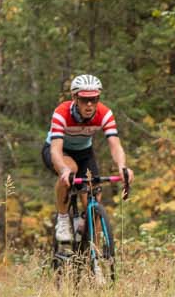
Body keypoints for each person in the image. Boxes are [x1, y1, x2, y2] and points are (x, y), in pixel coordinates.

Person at [43, 73, 132, 244]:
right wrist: (63, 169)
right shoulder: (61, 112)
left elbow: (115, 144)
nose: (90, 104)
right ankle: (63, 218)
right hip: (58, 151)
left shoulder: (104, 113)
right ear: (74, 98)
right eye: (85, 100)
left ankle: (91, 249)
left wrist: (122, 166)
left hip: (84, 153)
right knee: (71, 170)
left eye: (94, 99)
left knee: (93, 199)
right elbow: (55, 150)